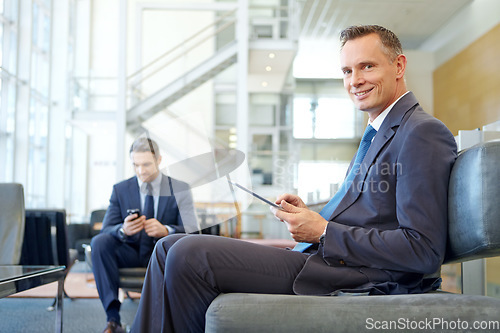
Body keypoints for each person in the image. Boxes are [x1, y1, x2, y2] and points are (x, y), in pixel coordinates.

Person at [130, 25, 458, 333]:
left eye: (367, 67)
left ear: (398, 66)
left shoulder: (421, 132)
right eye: (347, 71)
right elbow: (366, 211)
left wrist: (325, 231)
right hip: (330, 259)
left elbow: (423, 248)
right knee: (166, 247)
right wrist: (310, 215)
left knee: (189, 253)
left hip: (359, 275)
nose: (354, 80)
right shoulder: (380, 131)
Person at [91, 137, 195, 333]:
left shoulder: (179, 188)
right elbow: (107, 228)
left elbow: (192, 229)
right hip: (129, 251)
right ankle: (113, 319)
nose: (141, 170)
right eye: (135, 165)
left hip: (162, 255)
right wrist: (123, 230)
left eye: (146, 164)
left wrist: (167, 230)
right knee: (99, 242)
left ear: (159, 160)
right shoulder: (120, 189)